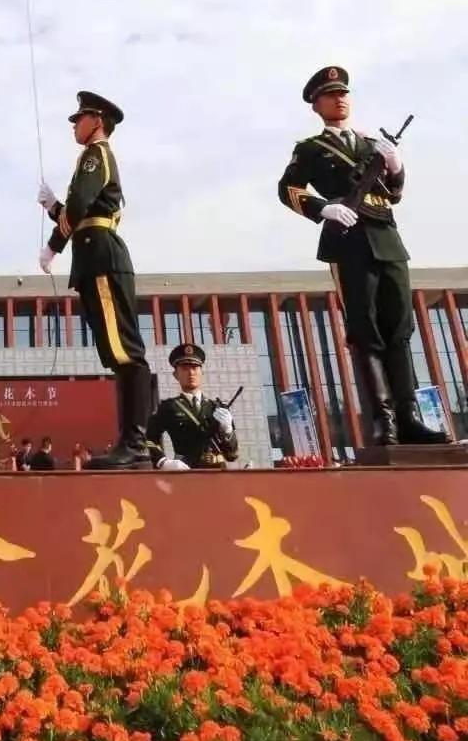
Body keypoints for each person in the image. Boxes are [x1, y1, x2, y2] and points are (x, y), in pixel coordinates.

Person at [278, 65, 447, 447]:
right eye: (330, 94)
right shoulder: (311, 148)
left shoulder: (372, 143)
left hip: (387, 237)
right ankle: (383, 420)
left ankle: (409, 418)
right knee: (365, 330)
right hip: (349, 240)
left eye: (344, 93)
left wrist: (396, 166)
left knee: (399, 330)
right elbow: (287, 189)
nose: (339, 99)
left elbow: (394, 193)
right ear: (316, 105)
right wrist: (323, 208)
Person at [39, 89, 152, 468]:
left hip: (101, 257)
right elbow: (81, 209)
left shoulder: (94, 155)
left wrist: (53, 244)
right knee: (118, 353)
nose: (75, 124)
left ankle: (135, 444)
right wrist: (53, 207)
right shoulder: (94, 157)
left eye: (80, 118)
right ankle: (131, 443)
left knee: (126, 352)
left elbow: (79, 206)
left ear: (97, 121)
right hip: (93, 256)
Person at [146, 342, 239, 470]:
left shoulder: (217, 408)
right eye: (185, 368)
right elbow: (148, 438)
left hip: (218, 471)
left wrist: (227, 430)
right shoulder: (168, 407)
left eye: (195, 368)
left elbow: (232, 455)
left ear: (201, 372)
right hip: (185, 470)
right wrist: (162, 461)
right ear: (175, 375)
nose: (191, 372)